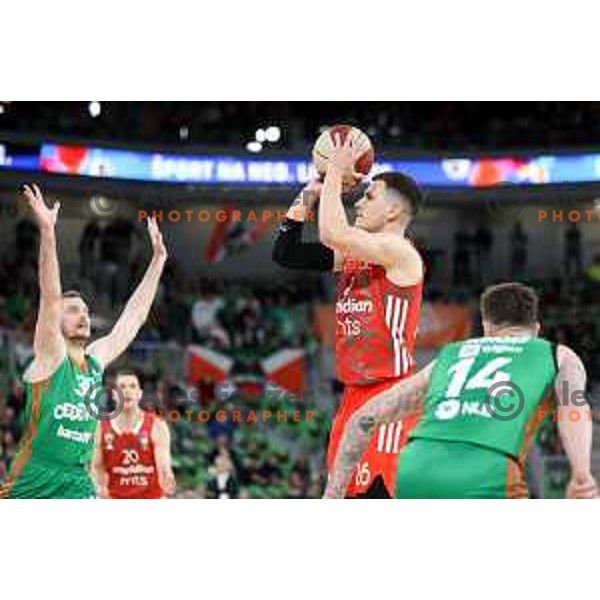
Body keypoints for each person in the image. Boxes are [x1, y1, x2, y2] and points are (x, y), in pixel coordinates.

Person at [325, 282, 598, 499]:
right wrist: (581, 473)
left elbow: (364, 417)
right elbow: (574, 408)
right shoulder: (557, 355)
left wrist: (332, 496)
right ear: (536, 329)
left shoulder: (450, 356)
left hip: (413, 472)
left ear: (487, 327)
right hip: (486, 473)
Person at [273, 133, 424, 498]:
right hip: (353, 396)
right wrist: (311, 191)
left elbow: (331, 232)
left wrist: (336, 171)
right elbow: (286, 252)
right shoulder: (357, 255)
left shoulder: (399, 252)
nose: (358, 202)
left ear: (393, 211)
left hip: (390, 395)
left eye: (368, 197)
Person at [0, 184, 167, 499]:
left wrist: (157, 260)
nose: (84, 316)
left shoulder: (95, 361)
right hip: (34, 478)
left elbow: (133, 318)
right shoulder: (50, 356)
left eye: (86, 311)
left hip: (78, 480)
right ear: (57, 322)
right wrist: (48, 232)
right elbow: (50, 297)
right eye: (74, 310)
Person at [91, 370, 175, 499]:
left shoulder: (156, 425)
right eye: (122, 387)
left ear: (139, 394)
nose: (127, 391)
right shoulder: (100, 427)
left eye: (132, 386)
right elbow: (96, 468)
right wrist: (101, 491)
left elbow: (163, 464)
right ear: (114, 394)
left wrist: (167, 476)